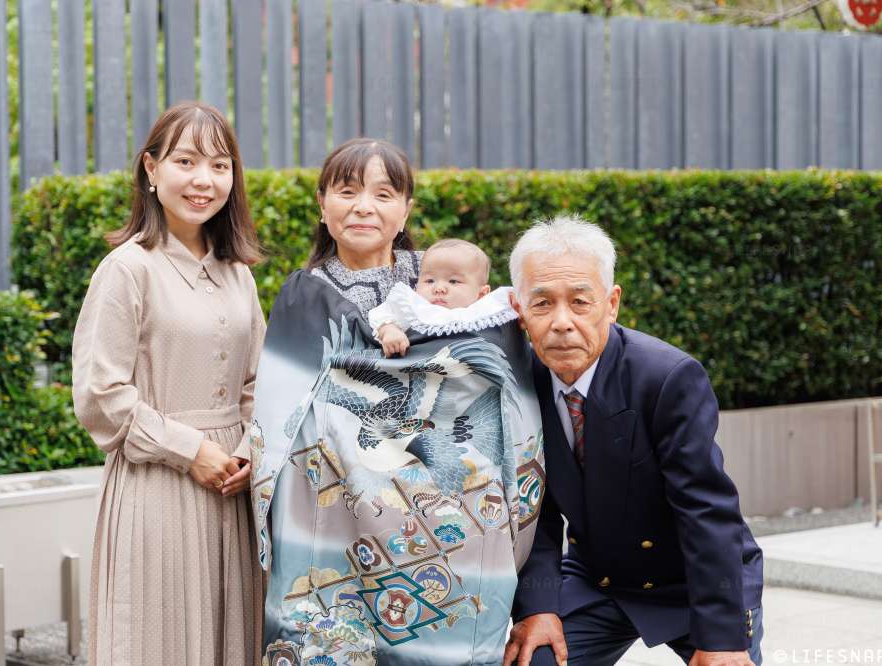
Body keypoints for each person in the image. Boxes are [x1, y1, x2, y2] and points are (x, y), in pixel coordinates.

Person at [246, 139, 546, 665]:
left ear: (406, 208)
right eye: (347, 190)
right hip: (331, 512)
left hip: (439, 518)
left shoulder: (445, 281)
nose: (364, 205)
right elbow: (280, 403)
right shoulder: (303, 295)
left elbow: (485, 365)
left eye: (383, 193)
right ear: (322, 203)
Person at [502, 216, 764, 666]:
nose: (562, 323)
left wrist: (722, 638)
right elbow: (534, 511)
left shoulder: (667, 378)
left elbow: (706, 511)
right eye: (542, 303)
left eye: (581, 302)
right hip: (598, 576)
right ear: (517, 309)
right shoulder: (518, 382)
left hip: (691, 578)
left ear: (612, 302)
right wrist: (538, 607)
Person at [72, 101, 265, 665]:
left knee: (234, 643)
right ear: (151, 170)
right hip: (158, 488)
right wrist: (190, 451)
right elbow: (100, 397)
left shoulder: (239, 273)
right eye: (186, 161)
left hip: (235, 490)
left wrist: (252, 447)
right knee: (161, 643)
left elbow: (258, 381)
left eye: (220, 164)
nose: (204, 180)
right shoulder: (127, 269)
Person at [368, 238, 517, 358]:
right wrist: (389, 330)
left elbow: (517, 308)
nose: (438, 288)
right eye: (429, 281)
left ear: (482, 294)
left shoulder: (487, 310)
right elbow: (382, 313)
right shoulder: (415, 306)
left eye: (453, 281)